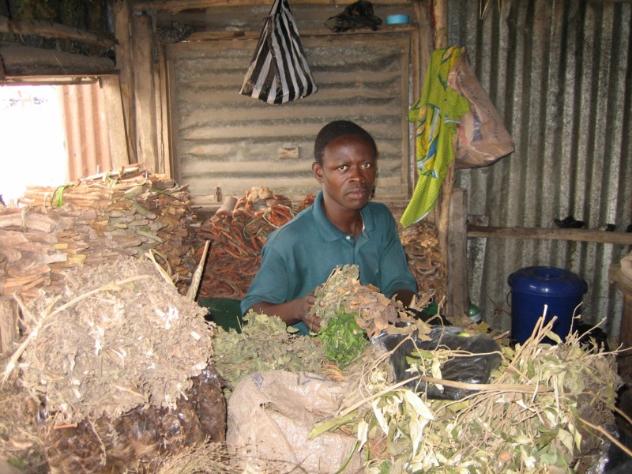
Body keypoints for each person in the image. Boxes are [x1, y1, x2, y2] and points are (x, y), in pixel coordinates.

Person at [240, 120, 417, 332]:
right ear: (319, 172)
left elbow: (400, 284)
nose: (358, 177)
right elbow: (252, 313)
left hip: (377, 343)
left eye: (366, 165)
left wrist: (389, 314)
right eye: (343, 167)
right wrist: (298, 310)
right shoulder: (289, 241)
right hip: (312, 350)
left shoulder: (380, 220)